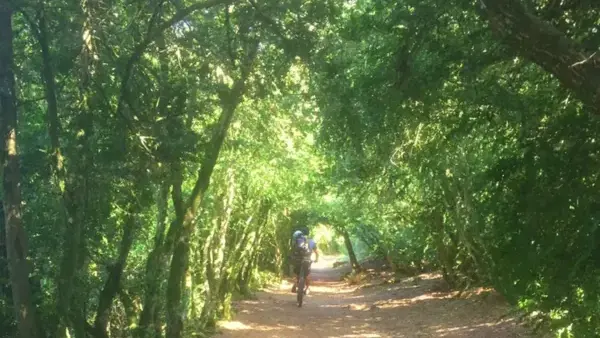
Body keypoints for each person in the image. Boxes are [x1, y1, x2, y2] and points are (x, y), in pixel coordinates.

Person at [290, 228, 319, 295]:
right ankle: (307, 288)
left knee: (296, 272)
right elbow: (316, 252)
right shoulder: (312, 241)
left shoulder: (297, 240)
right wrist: (316, 259)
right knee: (307, 274)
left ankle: (295, 283)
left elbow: (293, 251)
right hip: (307, 260)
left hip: (297, 260)